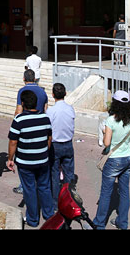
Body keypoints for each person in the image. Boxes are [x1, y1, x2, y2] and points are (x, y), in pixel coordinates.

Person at [7, 90, 53, 228]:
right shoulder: (45, 118)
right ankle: (49, 215)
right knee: (45, 187)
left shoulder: (19, 120)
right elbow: (49, 138)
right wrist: (44, 152)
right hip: (43, 160)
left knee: (29, 189)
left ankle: (33, 220)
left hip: (25, 162)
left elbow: (13, 141)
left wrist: (10, 158)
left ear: (22, 103)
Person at [92, 90, 130, 230]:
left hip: (114, 159)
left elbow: (106, 143)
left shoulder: (111, 120)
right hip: (127, 157)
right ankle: (122, 223)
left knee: (105, 193)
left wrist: (105, 132)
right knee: (124, 192)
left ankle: (99, 224)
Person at [13, 69, 48, 194]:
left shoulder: (22, 91)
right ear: (34, 78)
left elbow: (19, 111)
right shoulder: (43, 92)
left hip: (26, 127)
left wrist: (15, 124)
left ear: (24, 79)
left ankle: (24, 186)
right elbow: (46, 110)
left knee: (24, 159)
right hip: (40, 126)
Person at [46, 83, 76, 211]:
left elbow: (48, 129)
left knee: (54, 175)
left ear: (53, 95)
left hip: (55, 145)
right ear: (65, 93)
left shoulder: (50, 111)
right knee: (68, 175)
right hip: (68, 143)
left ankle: (55, 204)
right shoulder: (70, 109)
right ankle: (68, 201)